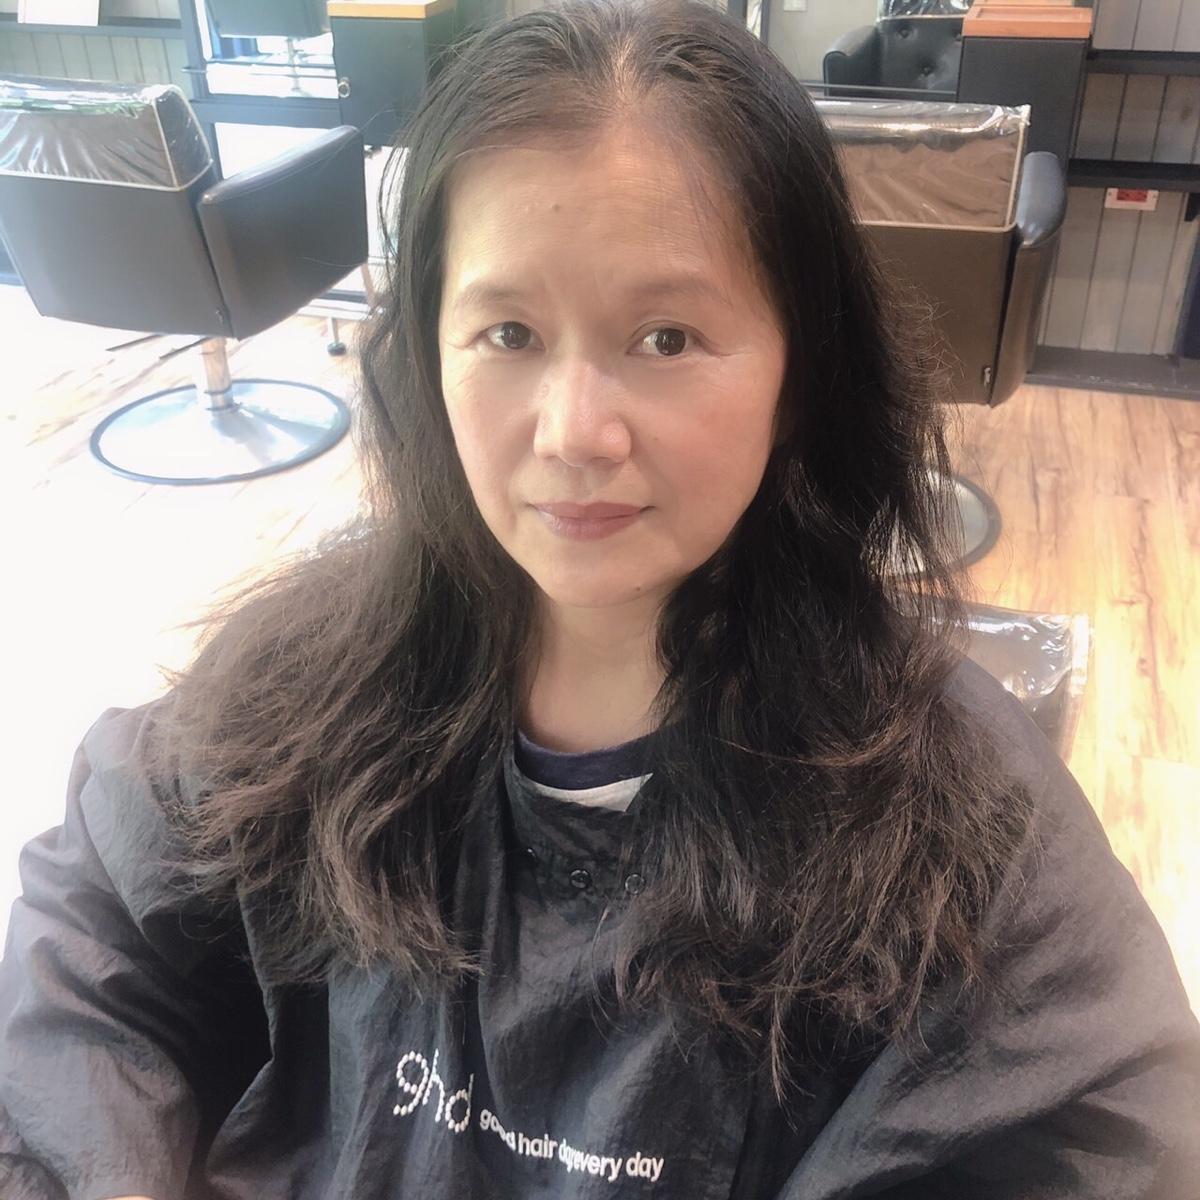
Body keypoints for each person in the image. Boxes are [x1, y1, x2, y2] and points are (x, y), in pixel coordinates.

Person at [2, 0, 1198, 1197]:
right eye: (508, 332)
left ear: (801, 370)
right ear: (427, 352)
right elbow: (96, 948)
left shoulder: (969, 845)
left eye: (666, 338)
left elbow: (1098, 1146)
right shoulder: (305, 679)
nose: (574, 433)